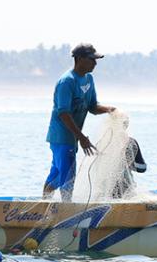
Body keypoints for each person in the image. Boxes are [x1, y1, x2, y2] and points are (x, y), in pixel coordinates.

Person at [43, 43, 116, 201]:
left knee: (57, 175)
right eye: (92, 59)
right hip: (62, 137)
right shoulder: (67, 82)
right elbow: (63, 113)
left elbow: (92, 106)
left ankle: (43, 206)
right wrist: (82, 138)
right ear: (80, 59)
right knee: (68, 177)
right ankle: (66, 214)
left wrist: (111, 110)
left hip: (71, 138)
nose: (95, 63)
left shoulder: (89, 79)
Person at [110, 119, 147, 199]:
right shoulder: (131, 142)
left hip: (106, 190)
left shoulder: (103, 142)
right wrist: (130, 163)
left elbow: (143, 168)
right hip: (124, 190)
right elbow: (142, 168)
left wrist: (128, 163)